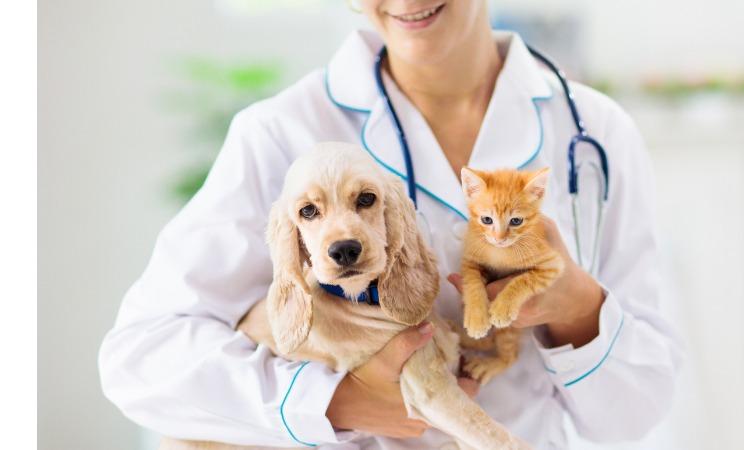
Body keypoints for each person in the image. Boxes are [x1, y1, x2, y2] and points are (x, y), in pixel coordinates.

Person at [99, 1, 683, 448]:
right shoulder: (280, 135)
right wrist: (335, 402)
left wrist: (579, 307)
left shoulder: (595, 133)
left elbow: (634, 413)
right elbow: (140, 361)